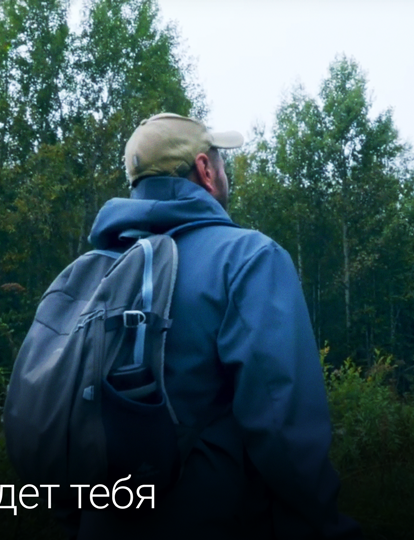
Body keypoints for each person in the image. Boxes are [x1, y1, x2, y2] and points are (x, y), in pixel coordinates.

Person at [78, 112, 362, 539]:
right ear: (205, 171)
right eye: (220, 161)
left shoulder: (93, 273)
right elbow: (284, 430)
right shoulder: (248, 258)